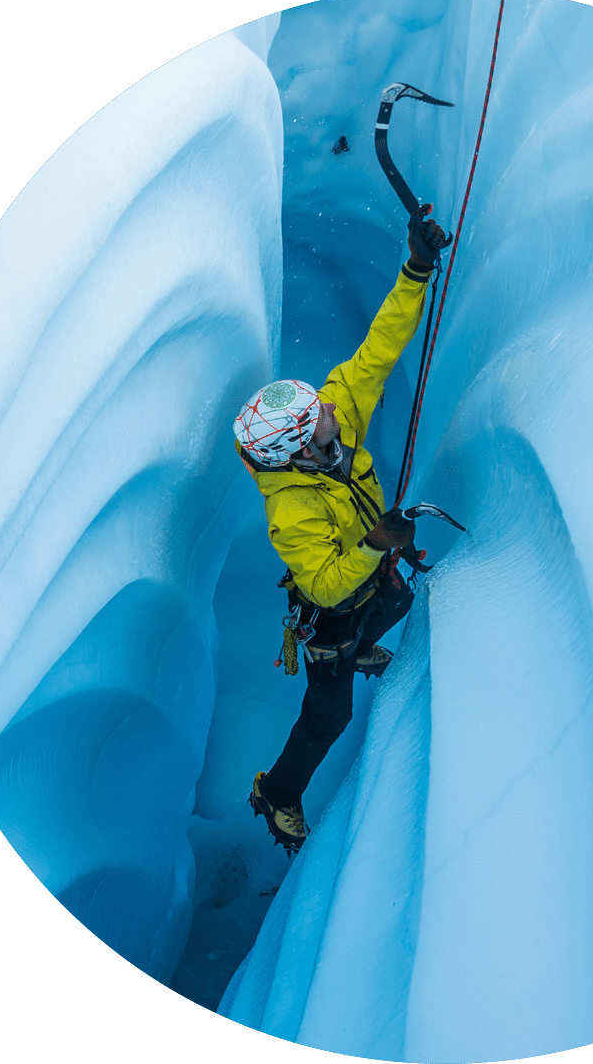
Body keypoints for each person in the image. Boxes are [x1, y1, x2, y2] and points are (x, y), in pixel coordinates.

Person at [232, 211, 449, 856]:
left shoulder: (334, 416)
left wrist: (415, 271)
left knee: (395, 602)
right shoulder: (291, 513)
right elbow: (325, 584)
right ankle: (278, 792)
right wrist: (377, 545)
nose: (332, 408)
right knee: (331, 714)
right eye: (319, 416)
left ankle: (362, 649)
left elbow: (379, 350)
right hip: (330, 612)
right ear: (300, 448)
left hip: (373, 578)